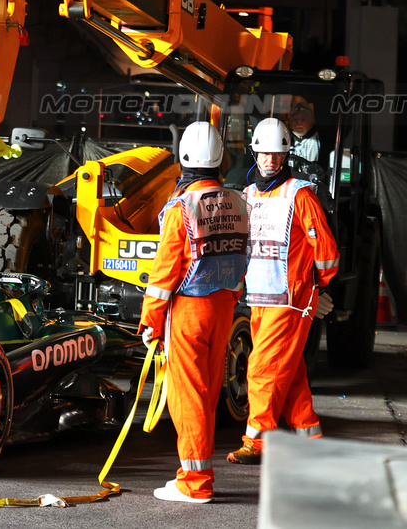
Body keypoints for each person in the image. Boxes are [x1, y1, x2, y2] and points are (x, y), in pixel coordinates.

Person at [139, 122, 249, 503]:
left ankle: (195, 483)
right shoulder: (237, 202)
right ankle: (191, 474)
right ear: (220, 158)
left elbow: (164, 273)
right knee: (206, 392)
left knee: (186, 396)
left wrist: (150, 321)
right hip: (223, 307)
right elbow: (241, 258)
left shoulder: (181, 207)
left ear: (183, 157)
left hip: (189, 310)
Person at [228, 118, 338, 466]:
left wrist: (315, 288)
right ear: (255, 152)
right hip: (260, 299)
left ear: (285, 154)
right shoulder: (247, 196)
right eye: (265, 153)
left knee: (262, 369)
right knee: (286, 372)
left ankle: (256, 441)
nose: (271, 160)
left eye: (277, 154)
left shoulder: (299, 194)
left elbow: (327, 252)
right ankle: (311, 436)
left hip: (291, 301)